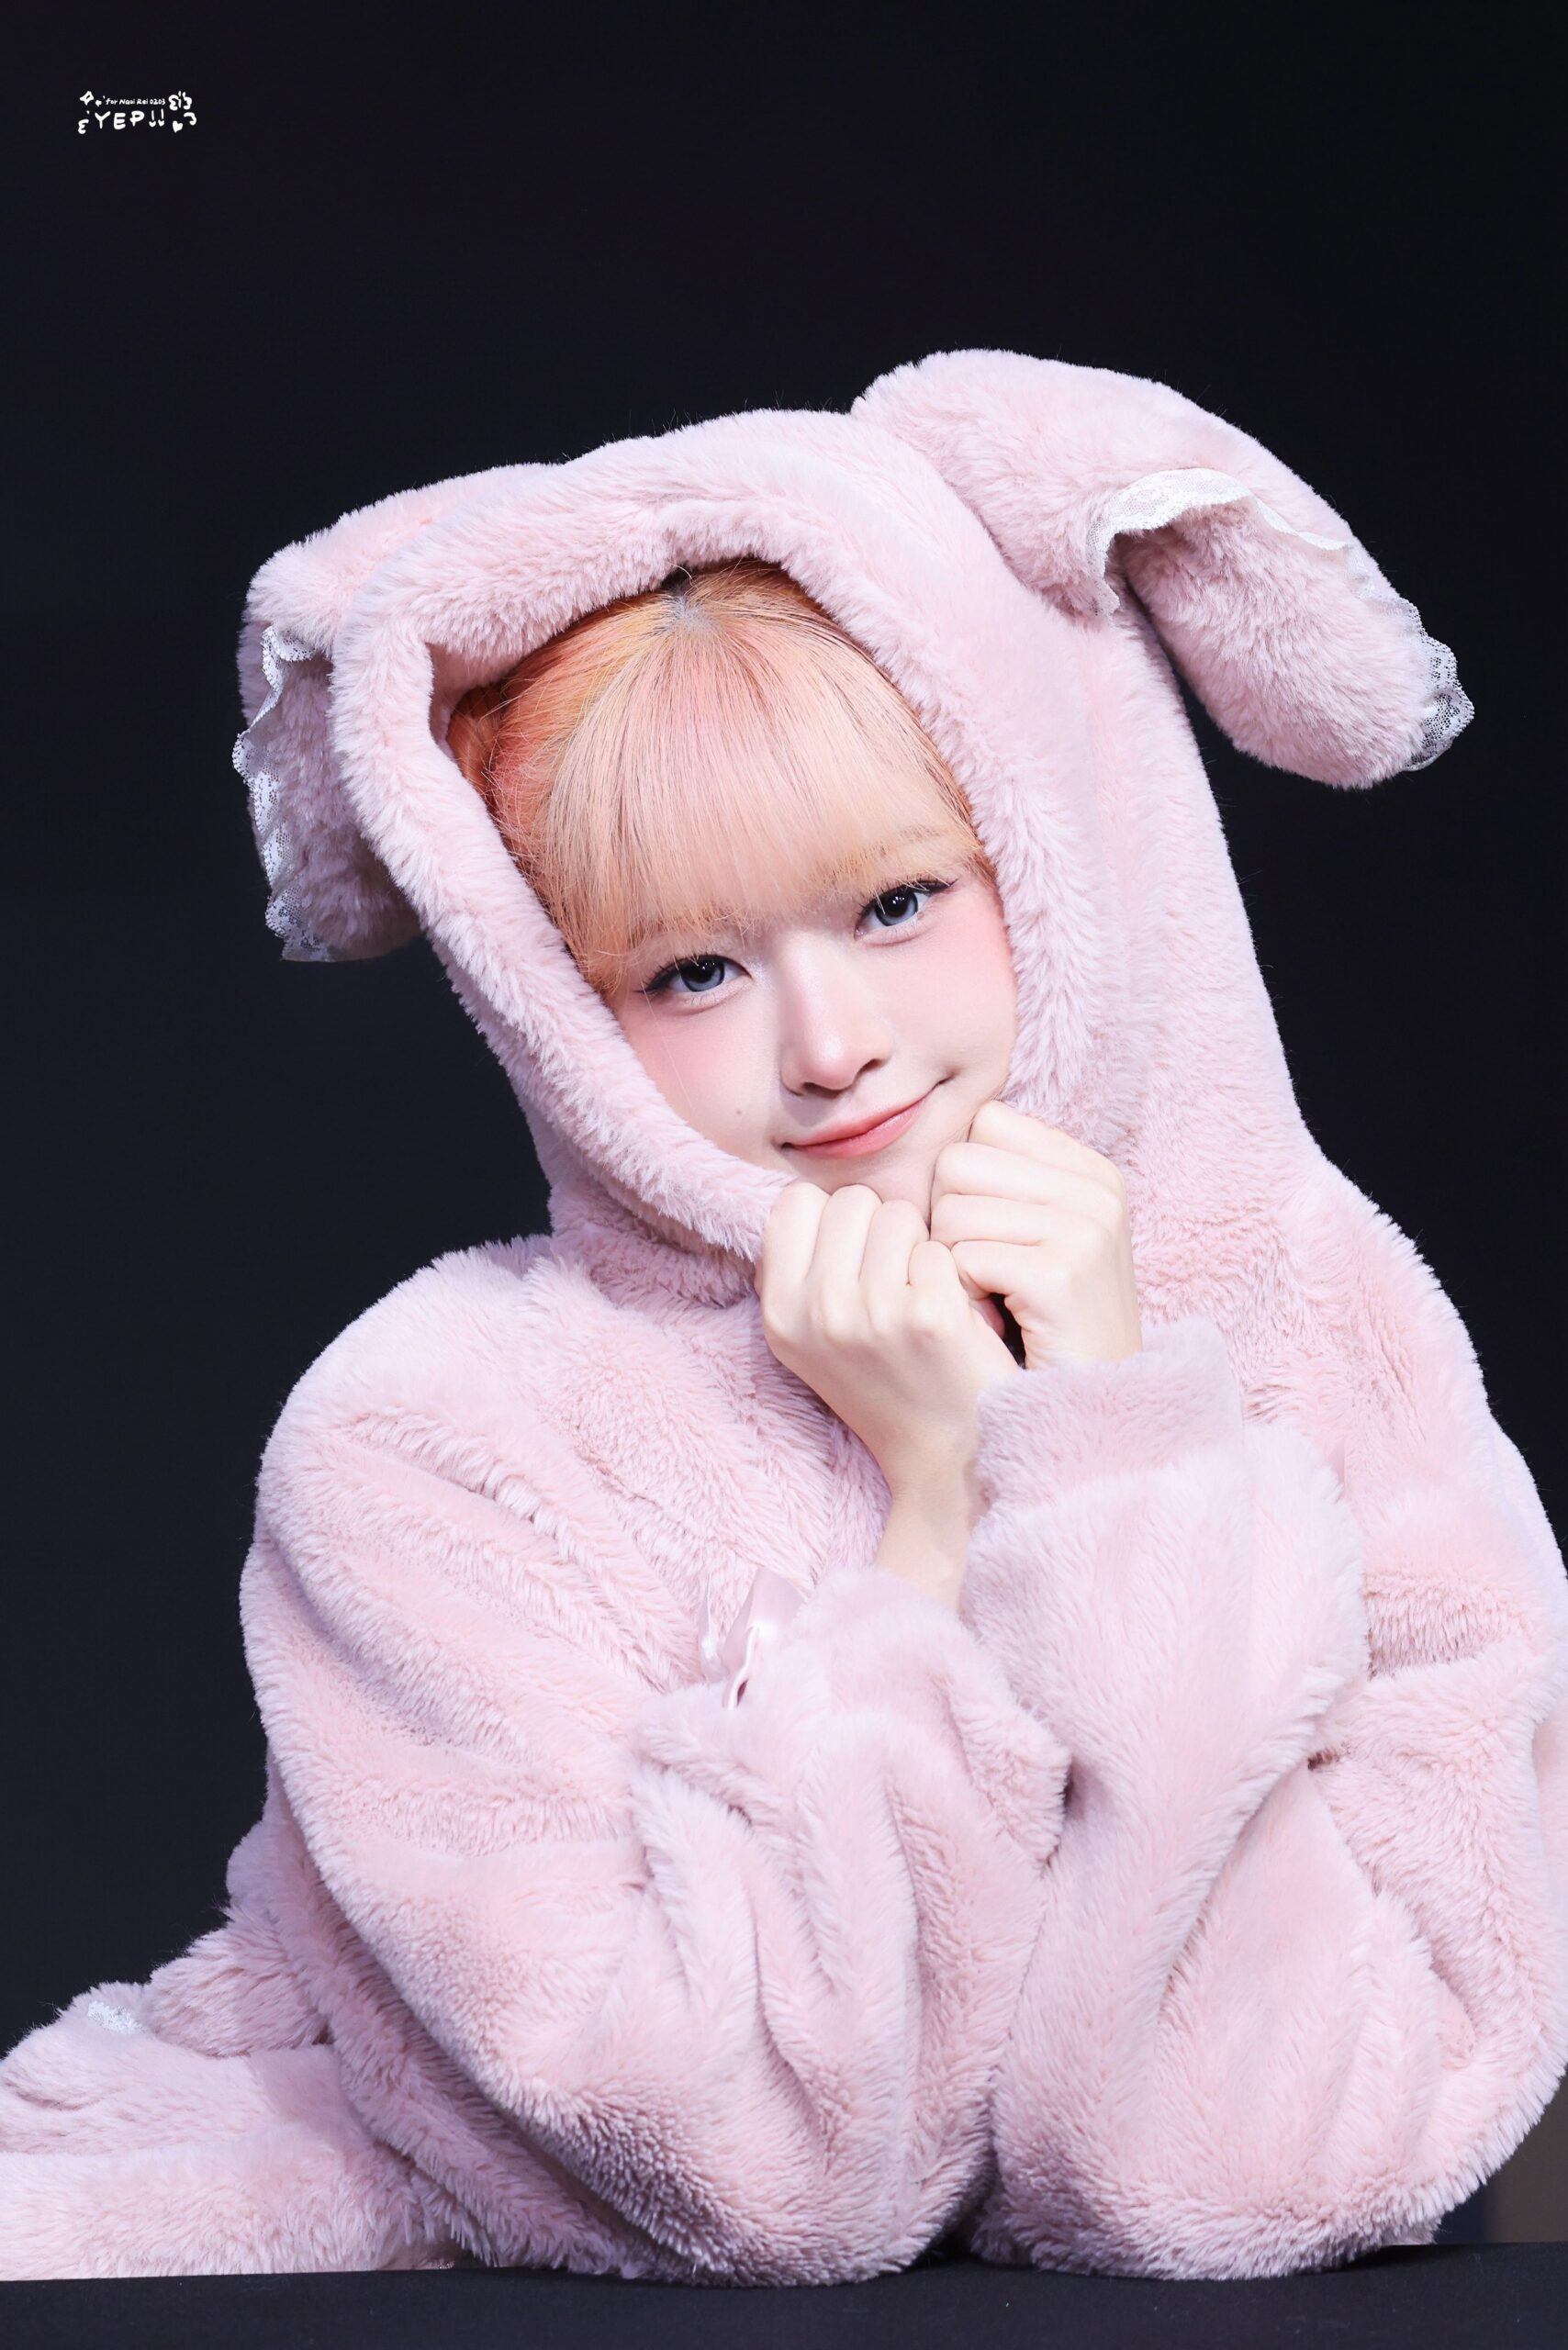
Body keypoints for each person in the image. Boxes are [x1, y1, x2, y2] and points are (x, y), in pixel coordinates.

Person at [1, 348, 1564, 2284]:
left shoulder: (1320, 1319)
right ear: (551, 996)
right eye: (692, 969)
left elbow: (1265, 2164)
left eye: (898, 901)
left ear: (1066, 847)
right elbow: (769, 2185)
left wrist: (1109, 1442)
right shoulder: (430, 1441)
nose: (828, 1045)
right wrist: (932, 1520)